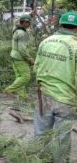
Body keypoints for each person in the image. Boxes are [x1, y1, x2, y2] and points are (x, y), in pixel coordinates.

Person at [34, 12, 77, 162]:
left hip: (43, 96)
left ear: (60, 24)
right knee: (61, 141)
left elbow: (36, 68)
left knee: (40, 135)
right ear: (76, 28)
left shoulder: (45, 41)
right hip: (66, 100)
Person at [4, 14, 34, 101]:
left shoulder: (16, 28)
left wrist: (30, 14)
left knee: (20, 78)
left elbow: (17, 20)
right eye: (28, 22)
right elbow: (22, 49)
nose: (30, 24)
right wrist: (30, 59)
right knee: (25, 77)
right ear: (24, 22)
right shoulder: (22, 34)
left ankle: (22, 98)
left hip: (14, 56)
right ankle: (8, 90)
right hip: (20, 58)